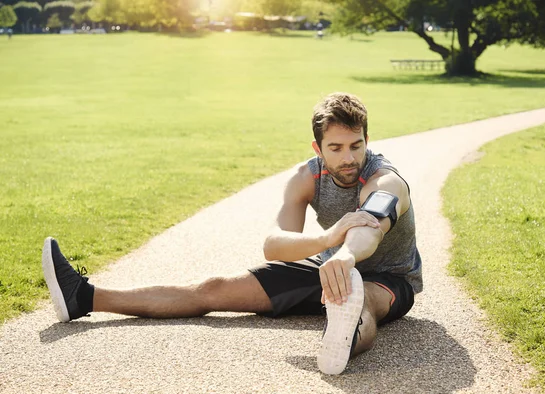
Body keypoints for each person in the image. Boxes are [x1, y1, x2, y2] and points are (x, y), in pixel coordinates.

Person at [42, 92, 422, 375]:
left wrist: (345, 255)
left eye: (356, 145)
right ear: (317, 148)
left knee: (358, 298)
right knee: (212, 289)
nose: (348, 157)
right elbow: (274, 245)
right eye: (336, 148)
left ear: (367, 141)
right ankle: (84, 297)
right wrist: (327, 243)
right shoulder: (306, 178)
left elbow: (371, 224)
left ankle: (340, 340)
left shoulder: (385, 178)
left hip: (388, 279)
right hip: (325, 265)